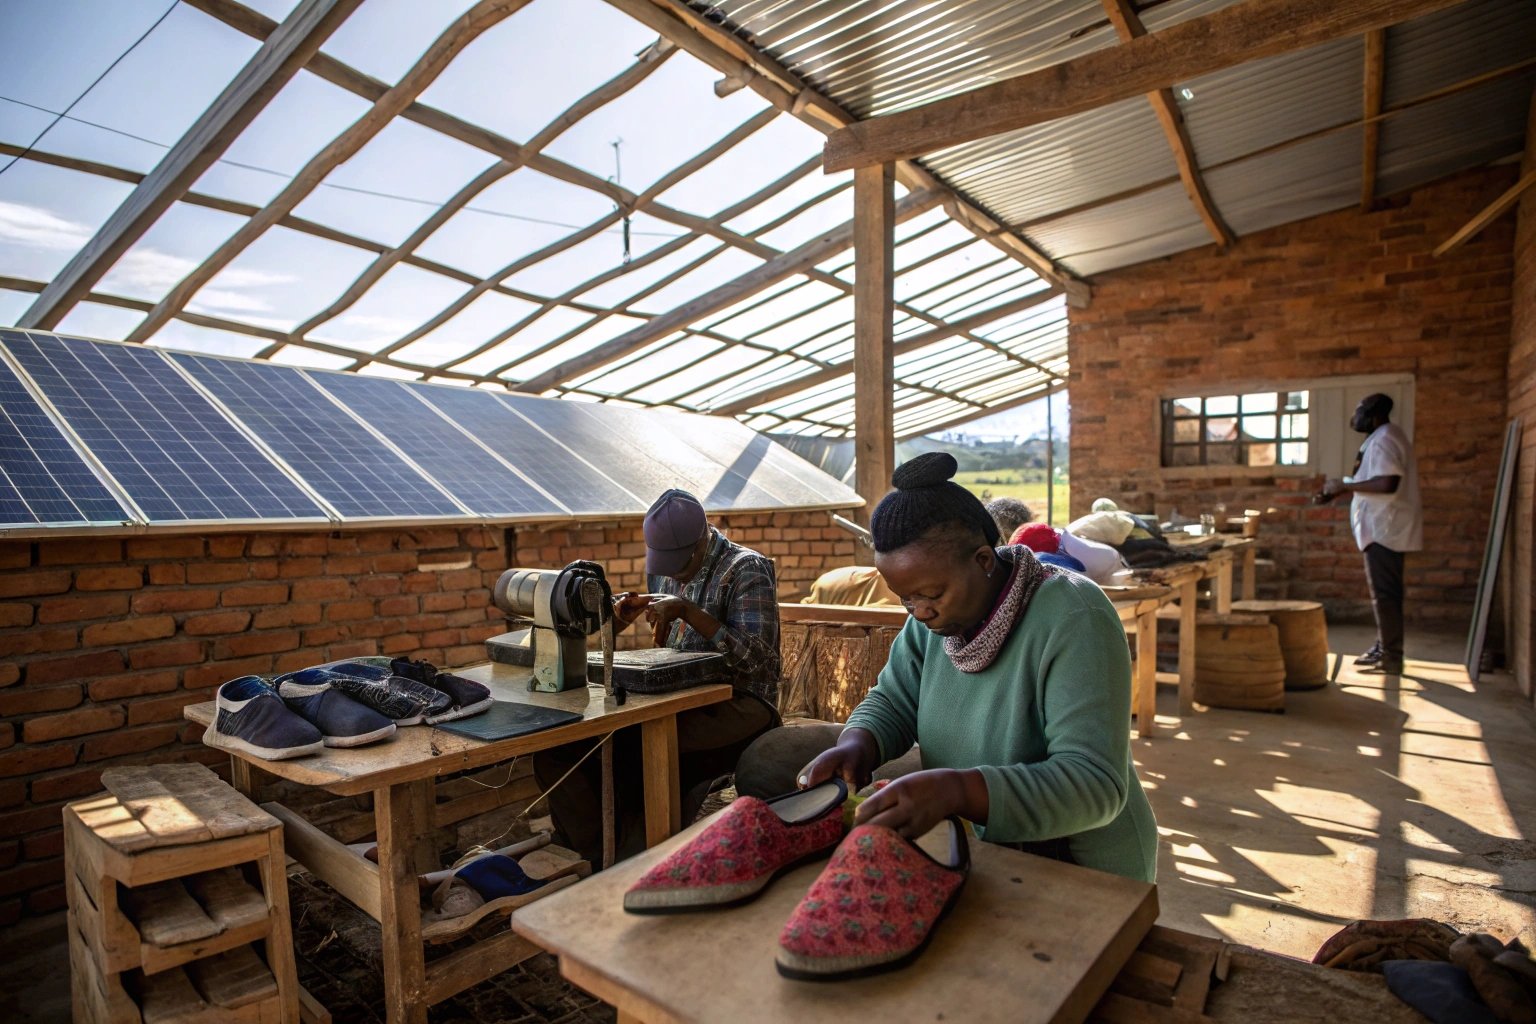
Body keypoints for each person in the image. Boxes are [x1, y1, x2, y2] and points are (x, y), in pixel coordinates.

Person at [736, 453, 1158, 883]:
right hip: (983, 846)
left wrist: (955, 790)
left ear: (984, 560)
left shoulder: (1075, 617)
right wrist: (859, 744)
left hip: (1080, 866)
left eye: (932, 595)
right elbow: (894, 700)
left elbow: (1093, 785)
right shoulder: (936, 621)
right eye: (905, 598)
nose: (919, 611)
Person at [533, 488, 781, 866]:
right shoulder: (663, 572)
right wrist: (620, 619)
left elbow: (758, 661)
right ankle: (598, 854)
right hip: (679, 699)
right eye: (664, 566)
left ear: (702, 541)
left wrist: (688, 611)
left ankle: (631, 857)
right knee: (564, 749)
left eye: (679, 565)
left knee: (629, 749)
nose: (671, 575)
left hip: (741, 705)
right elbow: (663, 635)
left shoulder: (746, 569)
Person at [1315, 393, 1422, 675]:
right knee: (1384, 593)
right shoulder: (1381, 437)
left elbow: (1387, 483)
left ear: (1373, 414)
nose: (1355, 417)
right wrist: (1339, 489)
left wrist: (1345, 486)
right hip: (1381, 527)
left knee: (1385, 594)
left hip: (1385, 529)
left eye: (1359, 411)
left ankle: (1391, 656)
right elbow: (1373, 480)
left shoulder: (1385, 439)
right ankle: (1385, 645)